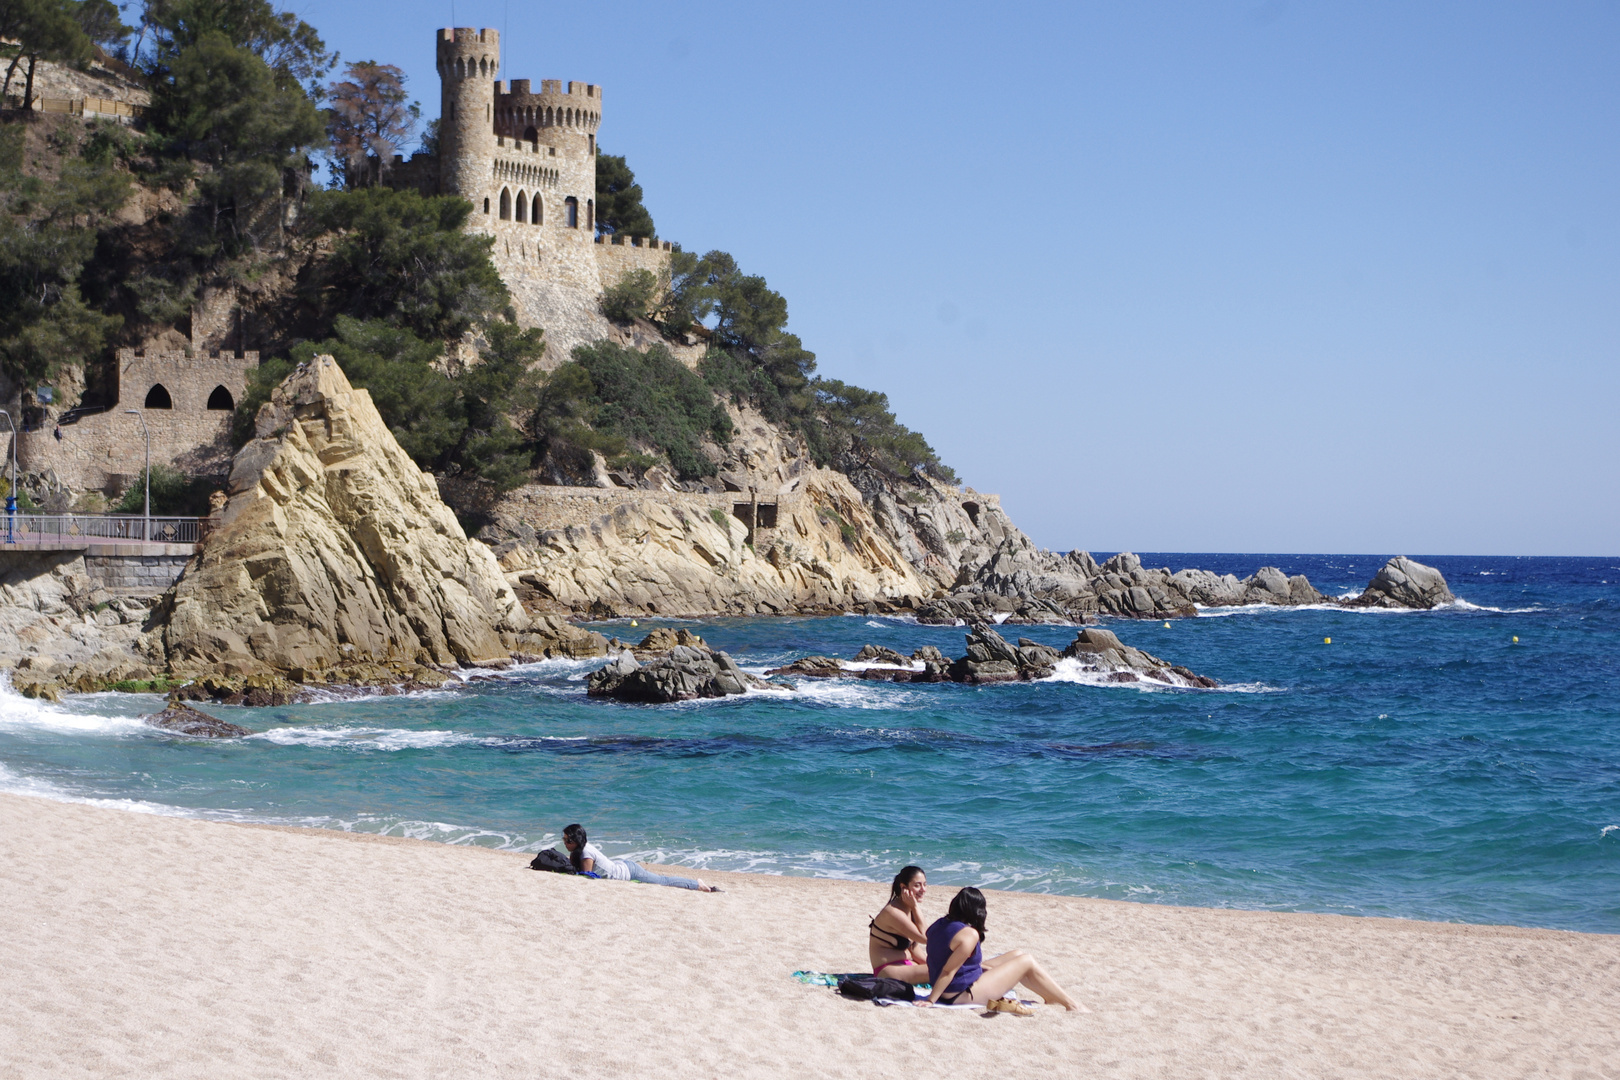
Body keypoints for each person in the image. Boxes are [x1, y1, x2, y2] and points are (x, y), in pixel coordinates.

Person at [922, 887, 1085, 1012]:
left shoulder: (938, 925)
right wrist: (931, 1000)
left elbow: (943, 959)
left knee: (1017, 955)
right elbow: (948, 971)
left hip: (954, 986)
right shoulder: (969, 934)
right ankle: (1071, 1004)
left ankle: (1049, 997)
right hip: (960, 995)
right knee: (1026, 961)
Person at [560, 823, 721, 893]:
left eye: (568, 840)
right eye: (564, 839)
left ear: (576, 841)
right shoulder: (578, 851)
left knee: (663, 881)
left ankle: (697, 884)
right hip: (621, 867)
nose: (565, 843)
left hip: (630, 872)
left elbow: (586, 878)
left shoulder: (586, 853)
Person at [868, 865, 932, 983]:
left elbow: (914, 948)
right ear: (904, 887)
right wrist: (915, 906)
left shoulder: (909, 910)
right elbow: (926, 938)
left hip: (906, 965)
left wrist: (933, 964)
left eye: (925, 884)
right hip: (887, 969)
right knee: (942, 971)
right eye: (917, 885)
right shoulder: (893, 912)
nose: (923, 889)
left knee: (946, 969)